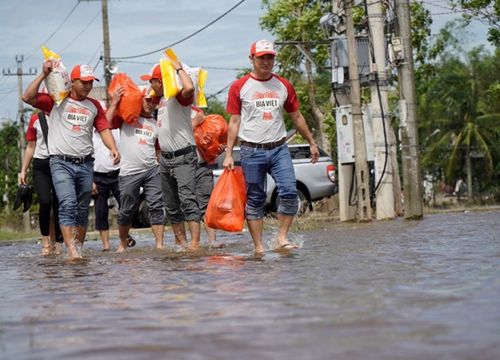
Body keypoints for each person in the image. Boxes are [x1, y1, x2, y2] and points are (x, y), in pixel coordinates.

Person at [223, 39, 320, 255]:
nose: (266, 61)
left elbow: (296, 116)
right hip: (251, 150)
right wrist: (229, 154)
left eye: (270, 57)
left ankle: (281, 238)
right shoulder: (239, 86)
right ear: (252, 59)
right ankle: (258, 247)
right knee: (255, 198)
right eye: (261, 57)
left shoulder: (283, 85)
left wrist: (312, 142)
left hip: (279, 149)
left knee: (288, 191)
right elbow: (234, 122)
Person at [22, 62, 120, 260]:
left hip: (85, 163)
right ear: (72, 81)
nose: (87, 86)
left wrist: (113, 148)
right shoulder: (57, 100)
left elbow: (103, 129)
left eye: (91, 82)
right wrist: (43, 74)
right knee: (68, 204)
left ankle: (78, 249)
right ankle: (72, 251)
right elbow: (27, 97)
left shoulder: (94, 106)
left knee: (82, 208)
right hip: (61, 162)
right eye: (83, 82)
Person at [141, 60, 201, 250]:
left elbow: (190, 88)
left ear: (160, 81)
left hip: (183, 157)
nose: (150, 86)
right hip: (166, 160)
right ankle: (180, 243)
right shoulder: (161, 100)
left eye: (151, 81)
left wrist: (178, 68)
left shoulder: (177, 97)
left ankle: (194, 245)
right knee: (171, 205)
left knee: (187, 200)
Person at [107, 86, 165, 252]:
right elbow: (106, 123)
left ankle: (159, 244)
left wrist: (160, 165)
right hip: (129, 171)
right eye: (147, 100)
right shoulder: (127, 117)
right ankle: (123, 243)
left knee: (155, 205)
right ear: (140, 99)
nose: (150, 104)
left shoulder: (155, 124)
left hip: (152, 170)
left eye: (153, 101)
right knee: (126, 210)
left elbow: (158, 149)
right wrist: (115, 103)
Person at [20, 112, 63, 255]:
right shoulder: (35, 119)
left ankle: (58, 241)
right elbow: (31, 146)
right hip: (41, 165)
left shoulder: (63, 114)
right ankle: (45, 241)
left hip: (60, 163)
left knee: (59, 204)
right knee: (45, 202)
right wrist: (23, 170)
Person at [191, 106, 226, 248]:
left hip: (202, 166)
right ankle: (192, 243)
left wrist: (217, 147)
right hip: (182, 167)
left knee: (207, 205)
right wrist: (193, 124)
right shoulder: (170, 112)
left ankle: (212, 241)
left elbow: (208, 140)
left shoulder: (198, 112)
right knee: (189, 207)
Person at [92, 128, 121, 251]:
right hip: (97, 175)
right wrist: (90, 180)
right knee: (100, 211)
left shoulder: (117, 130)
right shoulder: (90, 133)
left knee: (127, 205)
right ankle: (106, 245)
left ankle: (125, 236)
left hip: (118, 172)